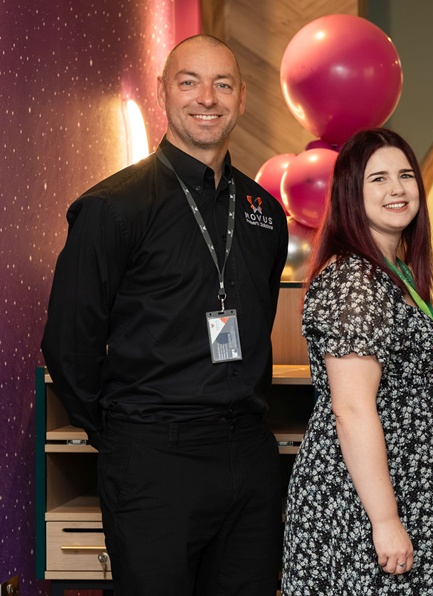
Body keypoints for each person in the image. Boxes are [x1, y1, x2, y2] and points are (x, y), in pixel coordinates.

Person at [41, 35, 286, 595]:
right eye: (189, 82)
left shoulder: (265, 213)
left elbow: (261, 317)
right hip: (154, 456)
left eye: (222, 84)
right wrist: (123, 434)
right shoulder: (113, 208)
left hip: (249, 452)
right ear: (163, 92)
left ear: (242, 98)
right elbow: (69, 345)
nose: (207, 98)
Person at [281, 128, 433, 595]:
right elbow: (352, 409)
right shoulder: (354, 280)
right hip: (367, 499)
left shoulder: (393, 269)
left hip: (409, 488)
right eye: (378, 179)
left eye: (405, 175)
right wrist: (384, 520)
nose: (397, 189)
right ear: (350, 193)